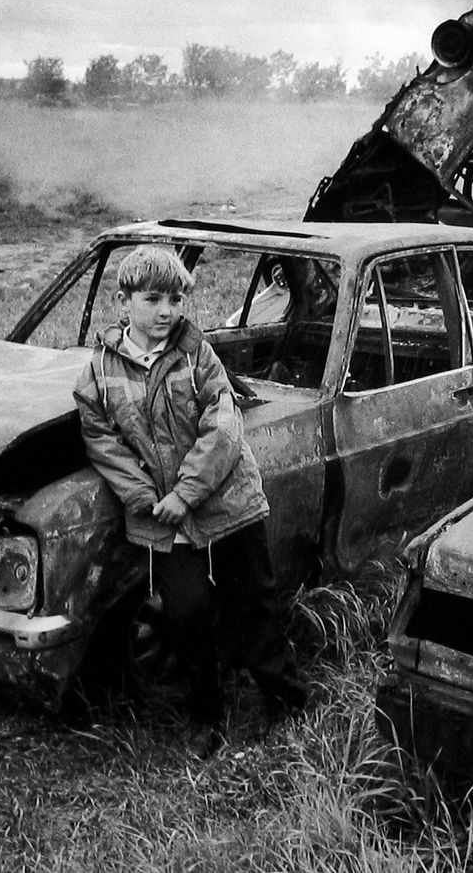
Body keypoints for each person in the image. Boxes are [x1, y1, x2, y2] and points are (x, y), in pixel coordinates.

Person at [74, 245, 306, 759]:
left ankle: (284, 697)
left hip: (227, 501)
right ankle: (206, 715)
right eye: (153, 298)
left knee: (255, 601)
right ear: (123, 301)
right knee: (186, 613)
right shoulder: (97, 373)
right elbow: (102, 441)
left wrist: (186, 493)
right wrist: (144, 497)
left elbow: (222, 427)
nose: (166, 311)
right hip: (163, 519)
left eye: (175, 299)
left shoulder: (197, 353)